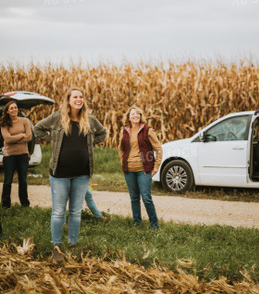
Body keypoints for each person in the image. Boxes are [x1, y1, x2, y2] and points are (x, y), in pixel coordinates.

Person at [34, 87, 107, 263]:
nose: (78, 99)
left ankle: (73, 245)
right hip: (60, 174)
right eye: (75, 97)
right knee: (59, 212)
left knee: (75, 212)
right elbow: (37, 128)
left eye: (81, 96)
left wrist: (91, 141)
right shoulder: (57, 118)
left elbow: (103, 133)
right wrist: (52, 139)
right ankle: (56, 247)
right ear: (68, 100)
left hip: (82, 174)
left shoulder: (89, 119)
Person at [119, 106, 162, 229]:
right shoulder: (124, 131)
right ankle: (137, 223)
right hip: (129, 170)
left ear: (141, 116)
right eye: (133, 114)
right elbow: (120, 149)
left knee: (147, 198)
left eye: (138, 114)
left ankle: (154, 225)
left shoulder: (148, 130)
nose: (135, 116)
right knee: (134, 198)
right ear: (128, 117)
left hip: (144, 169)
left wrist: (156, 166)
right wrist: (123, 161)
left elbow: (158, 148)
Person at [0, 100, 33, 208]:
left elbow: (29, 137)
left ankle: (25, 204)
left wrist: (16, 138)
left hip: (23, 155)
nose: (14, 109)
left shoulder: (25, 121)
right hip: (9, 156)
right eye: (12, 108)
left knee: (23, 181)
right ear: (8, 111)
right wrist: (21, 135)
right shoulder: (4, 123)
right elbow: (7, 139)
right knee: (8, 181)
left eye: (15, 107)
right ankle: (5, 205)